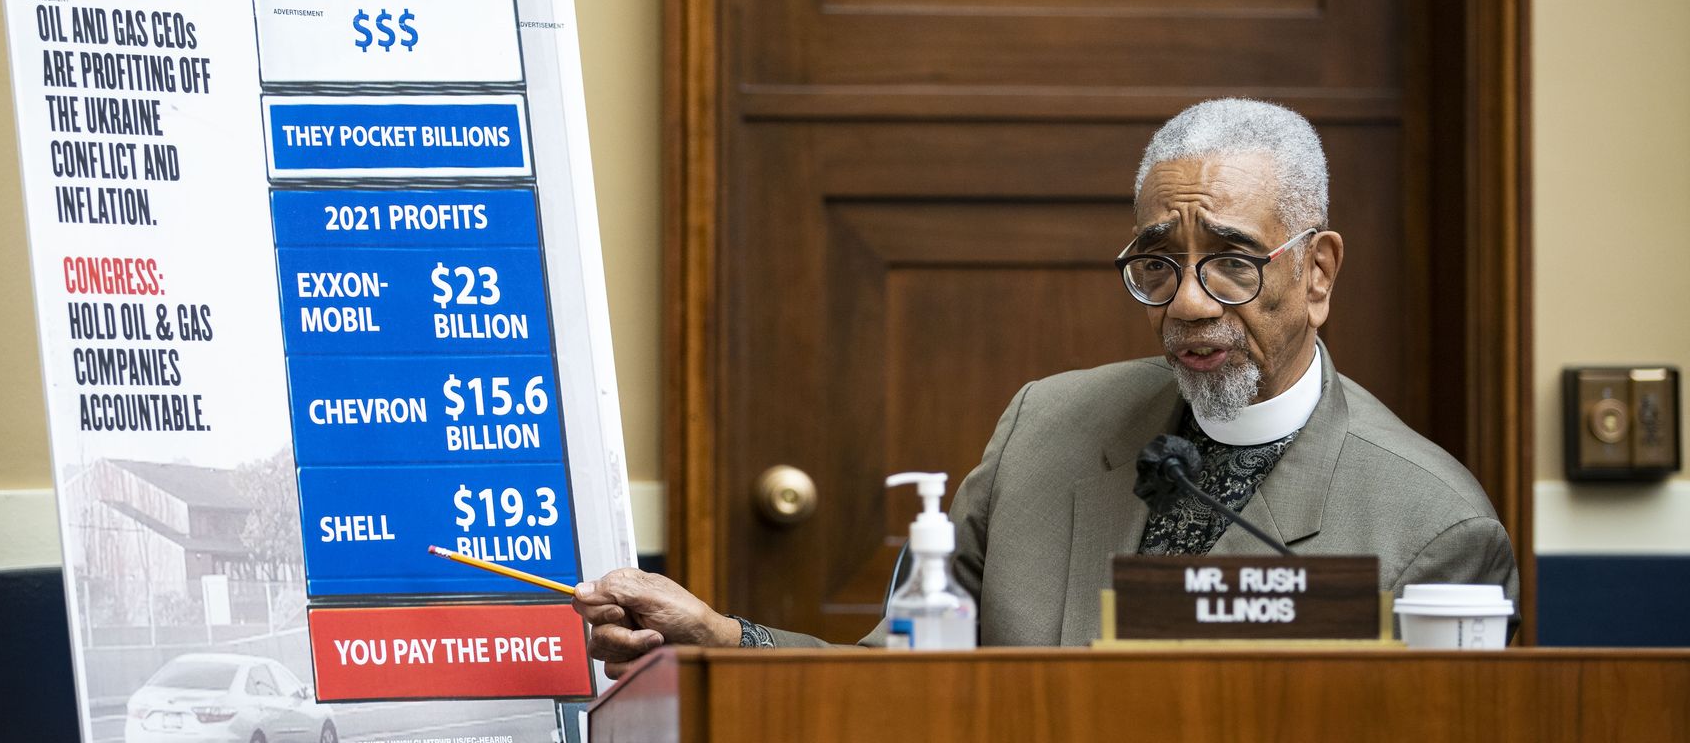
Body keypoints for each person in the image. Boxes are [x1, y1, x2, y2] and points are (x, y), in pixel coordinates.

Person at [574, 99, 1519, 673]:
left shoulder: (1431, 529)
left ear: (1317, 274)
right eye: (1157, 264)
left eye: (1231, 263)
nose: (1186, 305)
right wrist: (719, 639)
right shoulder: (1047, 429)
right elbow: (898, 686)